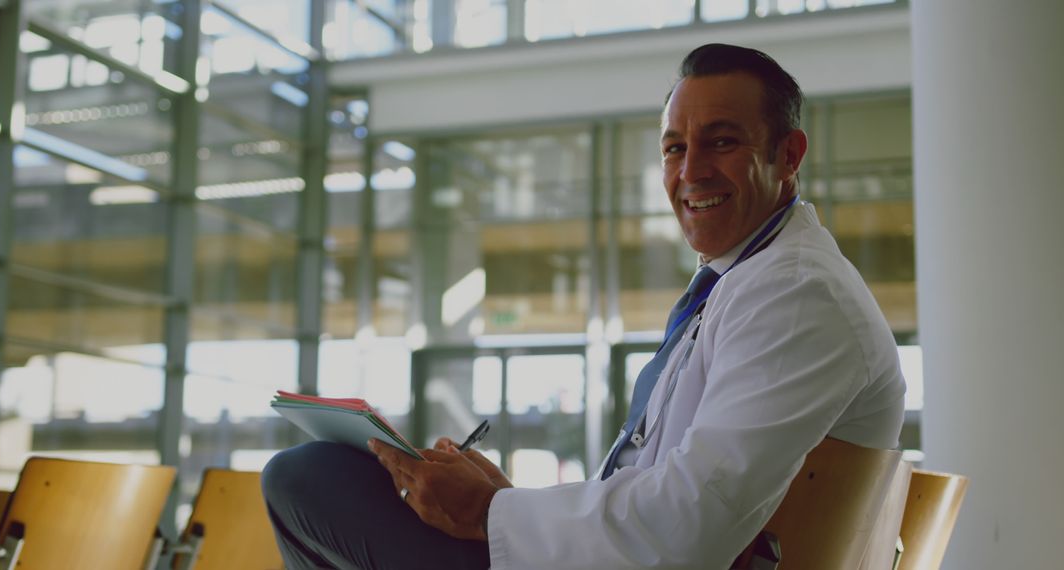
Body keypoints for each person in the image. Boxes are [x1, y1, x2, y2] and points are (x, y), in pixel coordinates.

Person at [261, 43, 906, 569]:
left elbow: (692, 523)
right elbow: (669, 494)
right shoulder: (751, 280)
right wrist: (505, 504)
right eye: (675, 148)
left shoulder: (796, 293)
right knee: (332, 476)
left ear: (788, 156)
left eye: (722, 142)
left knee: (309, 478)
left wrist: (490, 514)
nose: (691, 172)